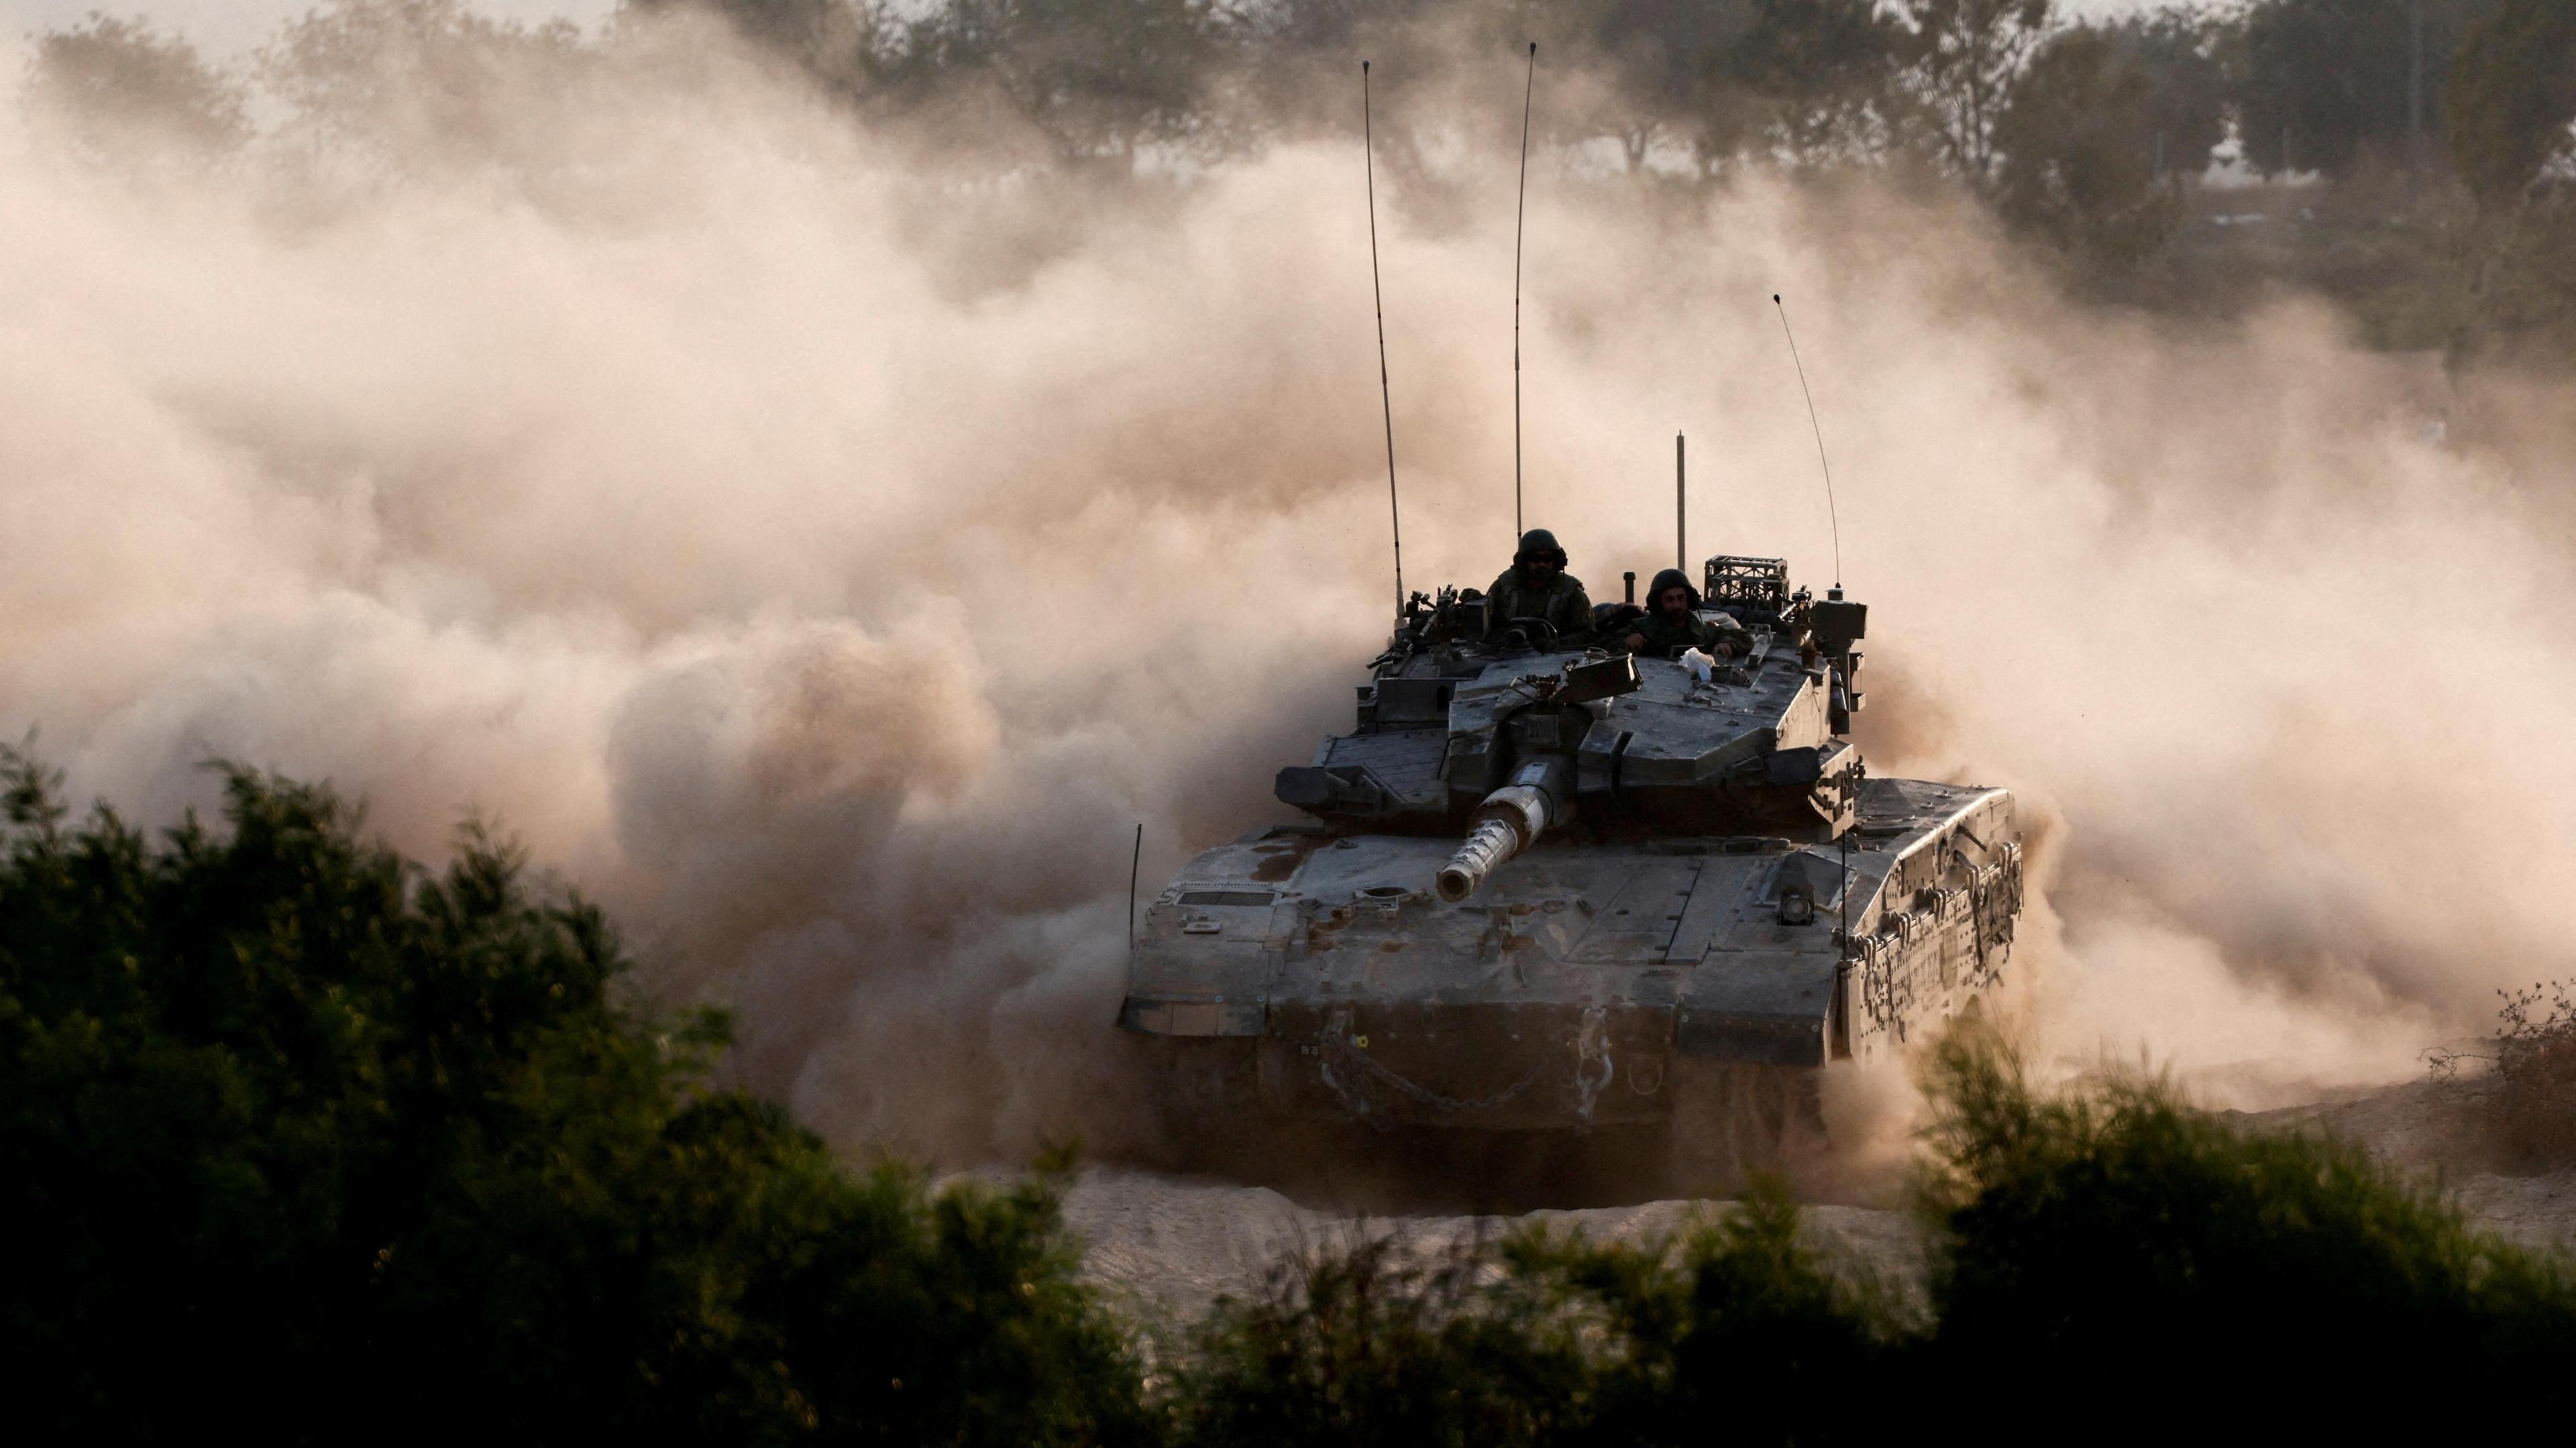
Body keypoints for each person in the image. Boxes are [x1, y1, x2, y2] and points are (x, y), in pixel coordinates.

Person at [1483, 528, 1594, 643]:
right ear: (1524, 561)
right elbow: (1485, 631)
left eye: (1547, 559)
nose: (1542, 564)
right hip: (1508, 655)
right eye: (1535, 559)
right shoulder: (1504, 587)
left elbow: (1587, 633)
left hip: (1558, 656)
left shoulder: (1570, 590)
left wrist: (1556, 643)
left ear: (1557, 561)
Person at [1619, 567, 1748, 659]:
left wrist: (1727, 643)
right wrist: (1627, 642)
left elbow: (1744, 637)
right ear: (1659, 603)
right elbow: (1605, 643)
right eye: (1670, 600)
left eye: (1681, 598)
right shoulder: (1643, 628)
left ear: (1689, 600)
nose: (1677, 605)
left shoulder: (1701, 630)